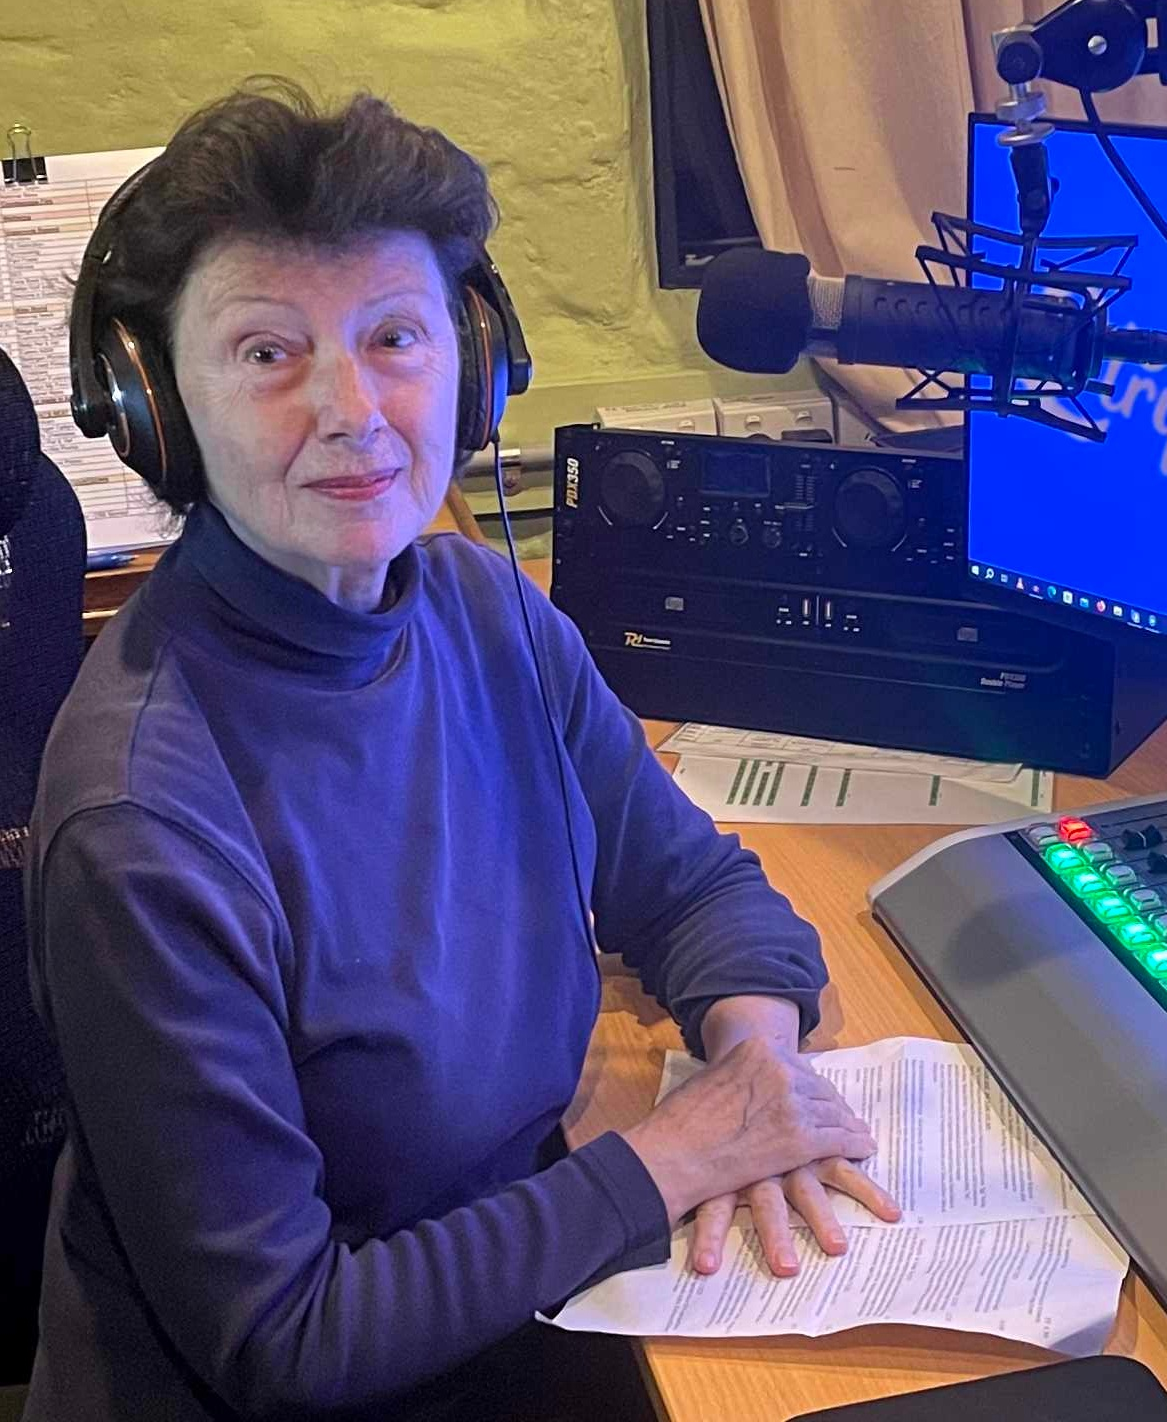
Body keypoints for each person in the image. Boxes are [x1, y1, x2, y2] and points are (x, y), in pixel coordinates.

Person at [23, 81, 897, 1422]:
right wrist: (671, 1157)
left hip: (520, 1308)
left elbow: (696, 889)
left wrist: (755, 1062)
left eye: (395, 337)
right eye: (267, 354)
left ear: (473, 360)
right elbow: (286, 1342)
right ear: (158, 408)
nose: (352, 408)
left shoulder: (490, 614)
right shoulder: (143, 819)